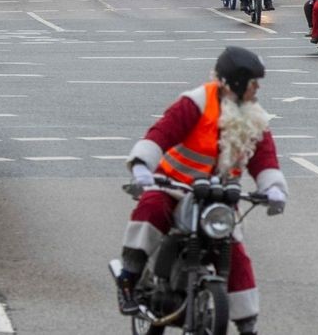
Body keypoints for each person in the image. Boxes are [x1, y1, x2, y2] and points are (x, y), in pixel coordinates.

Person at [115, 46, 286, 335]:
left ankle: (248, 325)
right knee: (151, 209)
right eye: (253, 82)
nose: (257, 88)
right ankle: (129, 278)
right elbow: (162, 132)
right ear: (236, 82)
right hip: (174, 186)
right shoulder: (195, 102)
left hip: (218, 196)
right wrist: (143, 166)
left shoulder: (254, 116)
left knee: (236, 254)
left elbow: (264, 156)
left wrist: (273, 189)